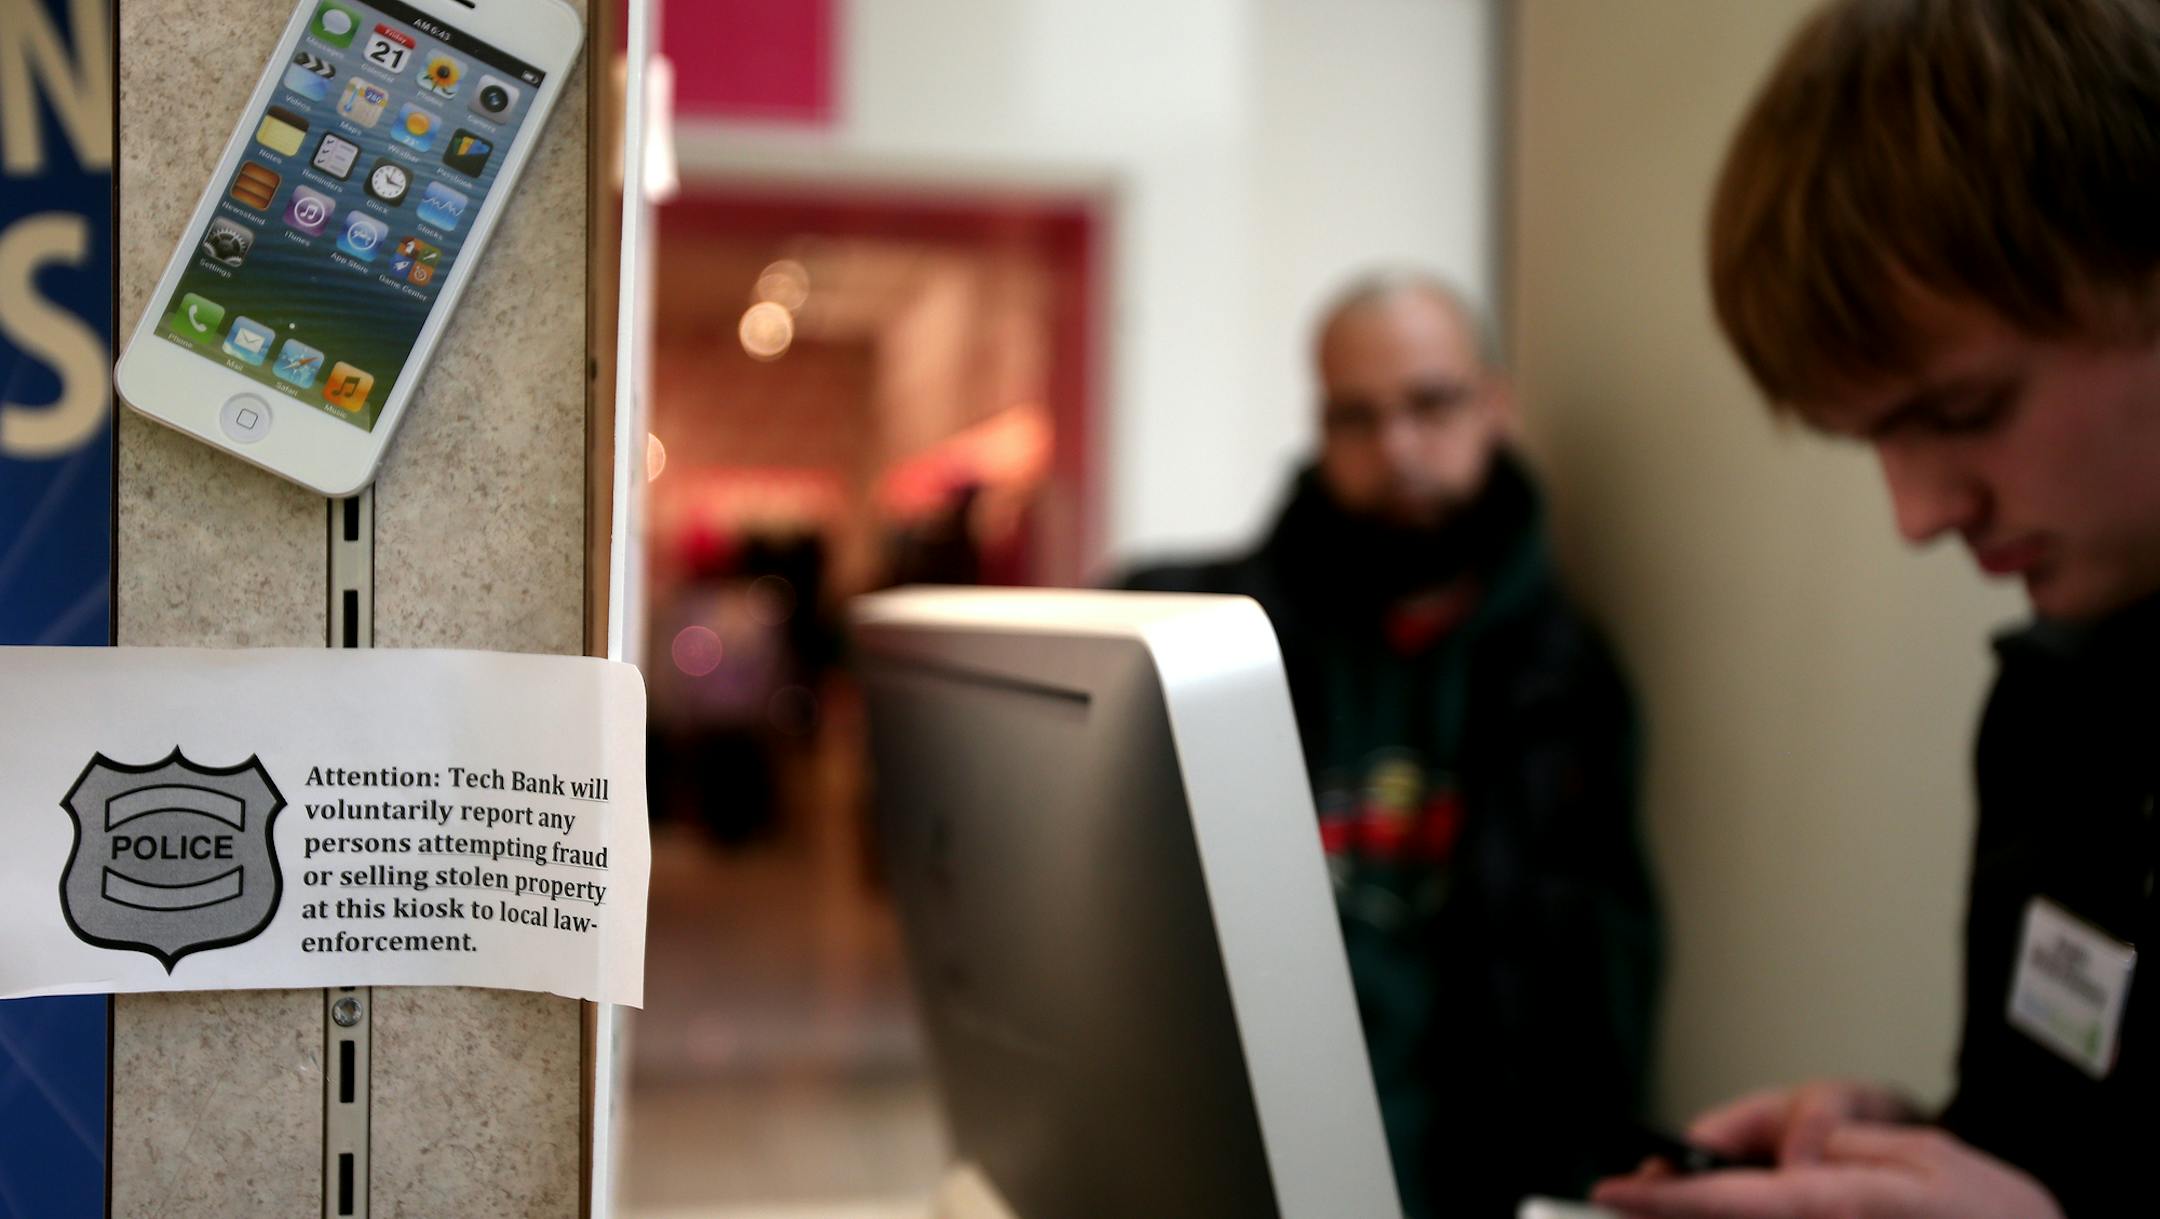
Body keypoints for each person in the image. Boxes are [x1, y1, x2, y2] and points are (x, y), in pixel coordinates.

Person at [1595, 2, 2160, 1216]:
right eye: (1874, 442)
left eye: (1961, 413)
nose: (1917, 515)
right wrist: (1900, 1157)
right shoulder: (2058, 710)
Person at [1124, 271, 1661, 1217]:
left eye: (1431, 403)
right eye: (1355, 418)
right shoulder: (1200, 632)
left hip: (1469, 1180)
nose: (1397, 447)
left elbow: (1600, 988)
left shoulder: (1567, 679)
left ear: (1495, 404)